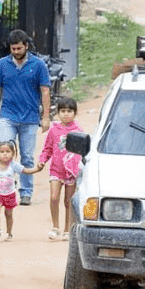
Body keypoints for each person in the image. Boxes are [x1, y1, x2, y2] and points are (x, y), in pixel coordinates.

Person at [0, 29, 52, 206]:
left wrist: (45, 117)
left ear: (26, 46)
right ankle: (4, 188)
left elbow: (45, 91)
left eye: (19, 48)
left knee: (27, 157)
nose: (16, 52)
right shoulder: (2, 64)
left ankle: (25, 192)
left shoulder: (38, 65)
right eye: (13, 49)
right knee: (4, 152)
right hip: (7, 116)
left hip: (30, 118)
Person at [38, 96, 84, 241]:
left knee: (68, 201)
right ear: (58, 113)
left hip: (71, 171)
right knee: (53, 197)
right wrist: (42, 160)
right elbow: (48, 149)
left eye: (69, 111)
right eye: (63, 111)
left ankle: (67, 229)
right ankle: (55, 227)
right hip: (56, 169)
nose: (66, 114)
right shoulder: (54, 130)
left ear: (75, 113)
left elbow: (82, 152)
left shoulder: (78, 131)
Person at [0, 140, 36, 241]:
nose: (5, 154)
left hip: (10, 195)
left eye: (8, 152)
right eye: (2, 152)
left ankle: (9, 233)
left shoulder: (14, 165)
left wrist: (37, 169)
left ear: (13, 153)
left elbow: (26, 171)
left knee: (9, 214)